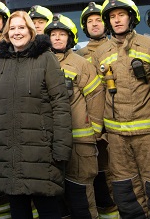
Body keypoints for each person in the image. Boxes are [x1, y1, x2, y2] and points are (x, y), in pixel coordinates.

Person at [0, 11, 72, 219]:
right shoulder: (0, 62)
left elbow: (60, 103)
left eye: (21, 28)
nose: (17, 32)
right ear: (6, 33)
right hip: (8, 151)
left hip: (40, 151)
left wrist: (61, 147)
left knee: (48, 209)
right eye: (12, 28)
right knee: (18, 210)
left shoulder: (46, 58)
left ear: (31, 31)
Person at [93, 0, 150, 218]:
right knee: (125, 190)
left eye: (121, 15)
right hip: (116, 136)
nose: (117, 20)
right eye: (113, 17)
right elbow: (98, 94)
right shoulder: (101, 53)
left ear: (131, 18)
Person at [45, 14, 105, 218]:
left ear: (70, 38)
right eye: (53, 34)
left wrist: (94, 130)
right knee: (56, 198)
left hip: (80, 142)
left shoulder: (81, 64)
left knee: (81, 197)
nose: (58, 38)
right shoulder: (42, 63)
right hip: (50, 142)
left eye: (62, 34)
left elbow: (96, 97)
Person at [75, 1, 117, 218]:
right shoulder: (78, 55)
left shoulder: (116, 49)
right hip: (90, 127)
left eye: (98, 19)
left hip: (114, 124)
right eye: (89, 21)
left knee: (115, 180)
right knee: (95, 178)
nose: (94, 24)